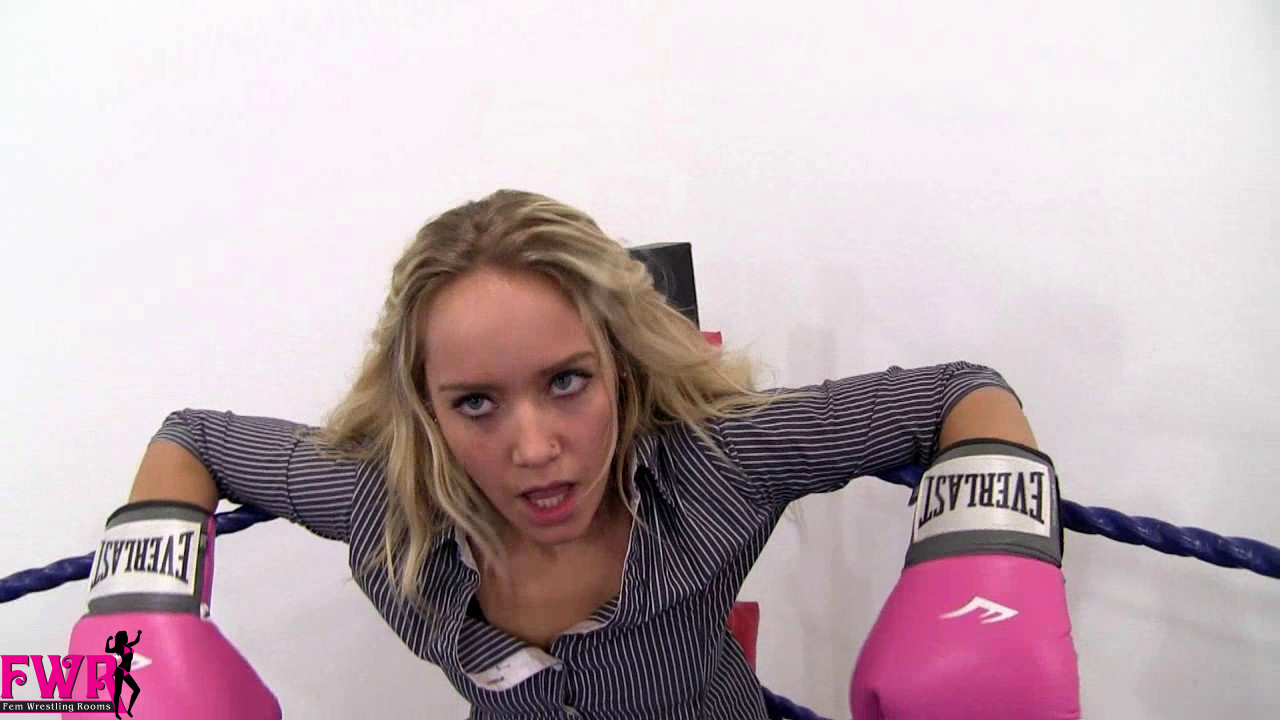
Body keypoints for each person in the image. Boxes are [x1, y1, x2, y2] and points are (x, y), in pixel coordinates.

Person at [92, 189, 1074, 719]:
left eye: (567, 382)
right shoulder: (378, 499)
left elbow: (956, 392)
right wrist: (134, 630)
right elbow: (193, 438)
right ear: (423, 408)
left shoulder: (716, 461)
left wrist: (985, 582)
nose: (533, 447)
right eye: (475, 403)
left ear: (621, 367)